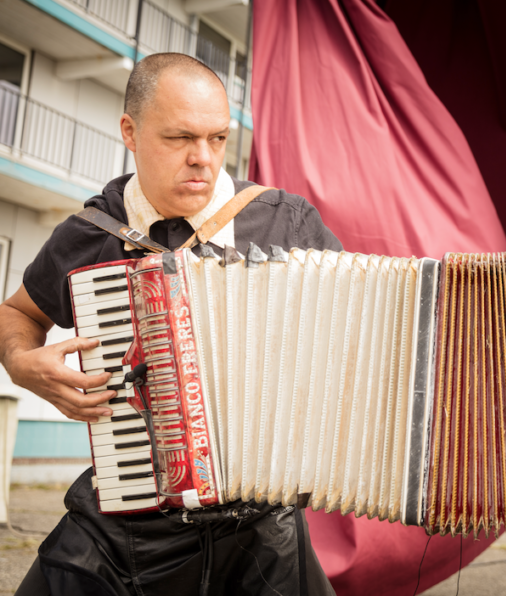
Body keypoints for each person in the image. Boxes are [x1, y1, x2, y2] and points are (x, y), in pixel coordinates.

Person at [0, 53, 341, 595]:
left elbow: (353, 335)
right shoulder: (93, 231)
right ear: (130, 133)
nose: (202, 158)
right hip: (127, 517)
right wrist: (21, 362)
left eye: (216, 138)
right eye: (180, 138)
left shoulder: (285, 221)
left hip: (256, 520)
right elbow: (17, 312)